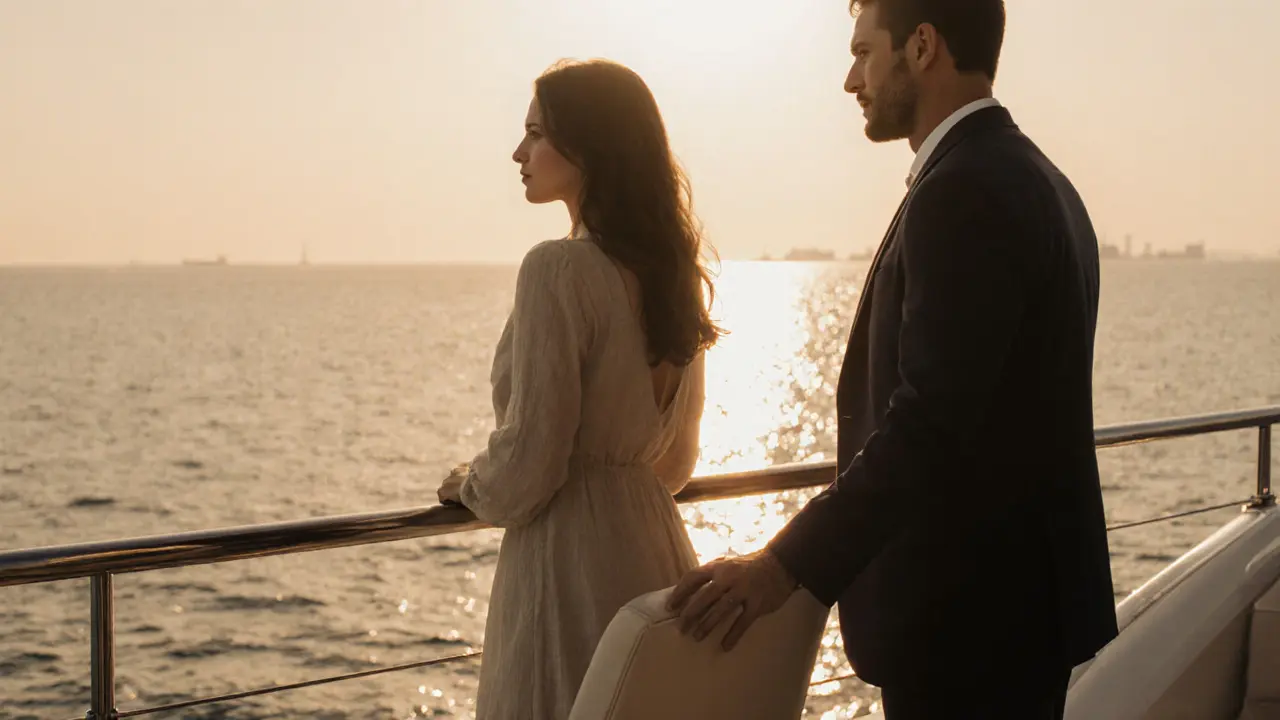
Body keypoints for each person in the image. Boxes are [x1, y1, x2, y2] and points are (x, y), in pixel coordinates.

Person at [668, 1, 1118, 717]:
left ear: (922, 46)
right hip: (1019, 612)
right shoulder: (1042, 180)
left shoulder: (964, 189)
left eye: (863, 52)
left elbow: (930, 425)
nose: (852, 79)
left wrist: (781, 565)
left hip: (967, 625)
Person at [435, 59, 721, 720]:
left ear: (588, 147)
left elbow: (530, 465)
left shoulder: (557, 269)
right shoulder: (673, 273)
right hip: (653, 553)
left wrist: (470, 484)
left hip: (566, 565)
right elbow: (675, 465)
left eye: (535, 134)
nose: (518, 153)